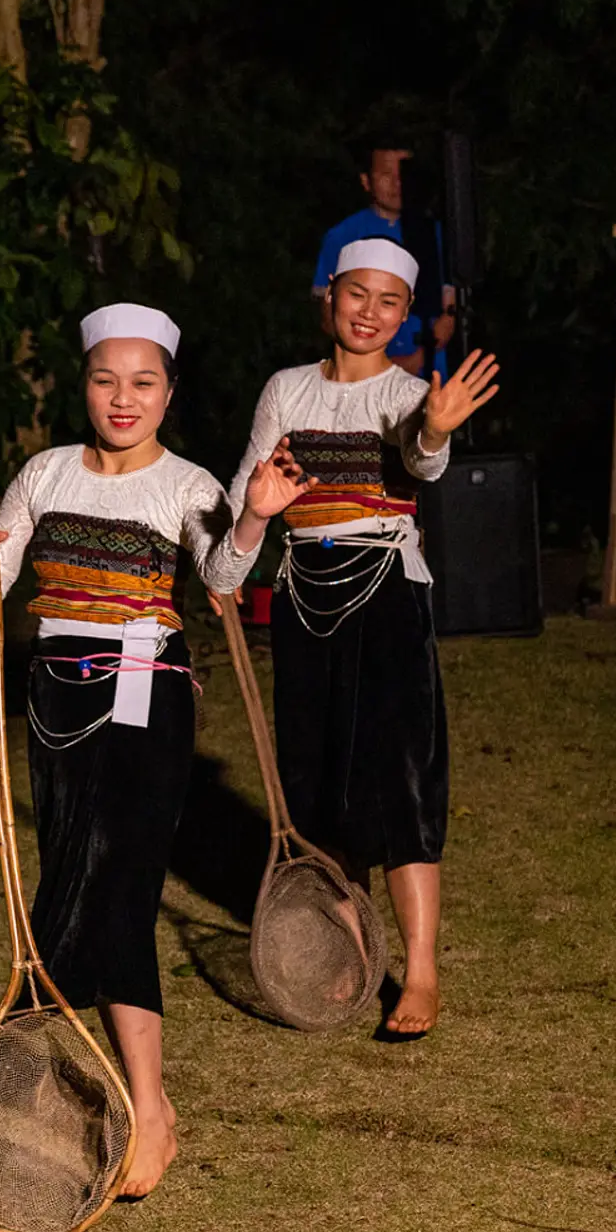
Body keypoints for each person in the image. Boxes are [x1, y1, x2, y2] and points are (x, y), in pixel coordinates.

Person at [0, 304, 310, 1198]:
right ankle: (89, 1089)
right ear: (84, 384)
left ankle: (144, 1108)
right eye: (106, 379)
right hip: (56, 698)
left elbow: (222, 579)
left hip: (149, 695)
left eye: (143, 382)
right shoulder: (43, 472)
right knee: (68, 883)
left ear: (169, 392)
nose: (123, 397)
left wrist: (255, 517)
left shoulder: (185, 484)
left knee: (123, 889)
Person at [228, 238, 499, 1037]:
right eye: (357, 294)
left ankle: (419, 973)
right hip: (304, 597)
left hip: (387, 597)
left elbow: (420, 460)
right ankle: (355, 952)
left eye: (388, 301)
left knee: (403, 780)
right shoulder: (285, 389)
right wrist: (240, 533)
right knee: (318, 786)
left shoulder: (413, 393)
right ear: (330, 297)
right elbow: (256, 485)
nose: (369, 312)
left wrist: (437, 431)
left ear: (405, 314)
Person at [314, 141, 456, 378]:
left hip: (430, 374)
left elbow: (449, 312)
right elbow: (329, 314)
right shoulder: (342, 235)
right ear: (366, 181)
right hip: (364, 375)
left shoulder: (435, 234)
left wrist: (416, 360)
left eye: (404, 175)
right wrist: (380, 367)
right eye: (386, 174)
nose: (397, 183)